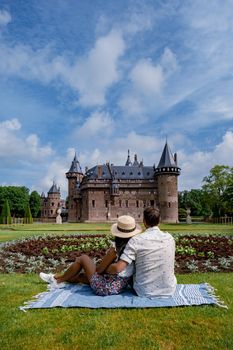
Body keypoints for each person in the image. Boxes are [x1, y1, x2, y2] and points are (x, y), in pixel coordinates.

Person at [39, 215, 142, 296]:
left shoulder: (114, 250)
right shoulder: (134, 248)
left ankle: (57, 281)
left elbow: (100, 270)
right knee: (80, 276)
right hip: (119, 287)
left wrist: (104, 265)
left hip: (105, 287)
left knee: (82, 258)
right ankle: (55, 278)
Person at [106, 207, 177, 297]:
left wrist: (104, 269)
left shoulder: (136, 240)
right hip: (169, 289)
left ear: (144, 221)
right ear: (159, 220)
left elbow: (118, 268)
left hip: (144, 291)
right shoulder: (170, 238)